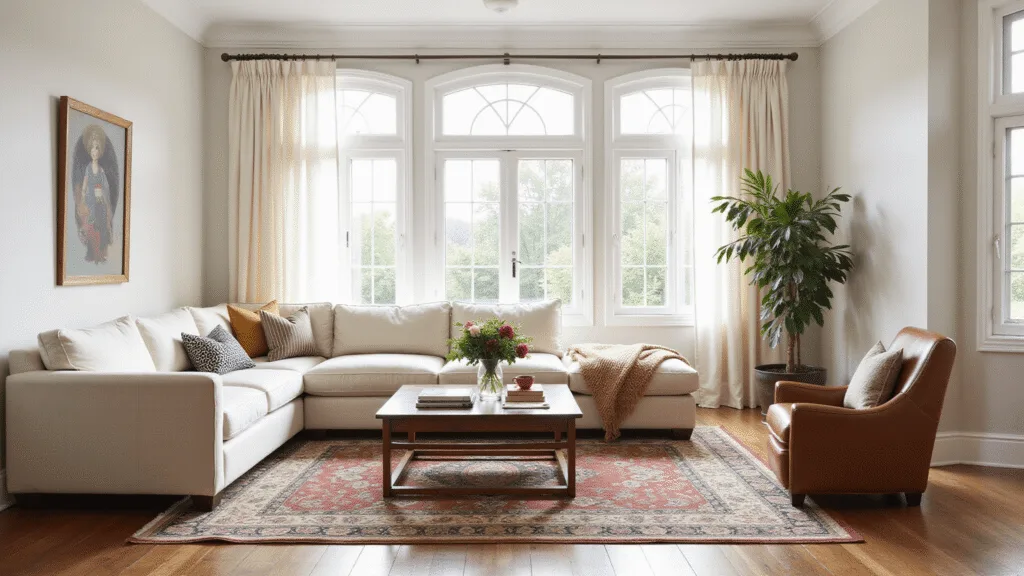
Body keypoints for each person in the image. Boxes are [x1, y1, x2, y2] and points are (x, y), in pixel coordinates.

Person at [75, 125, 113, 263]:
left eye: (97, 148)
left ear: (100, 151)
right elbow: (85, 185)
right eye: (92, 148)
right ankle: (91, 252)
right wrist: (83, 197)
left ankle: (101, 251)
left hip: (99, 200)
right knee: (90, 224)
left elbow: (105, 187)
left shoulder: (101, 170)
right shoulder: (88, 168)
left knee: (102, 220)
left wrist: (102, 193)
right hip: (90, 200)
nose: (94, 151)